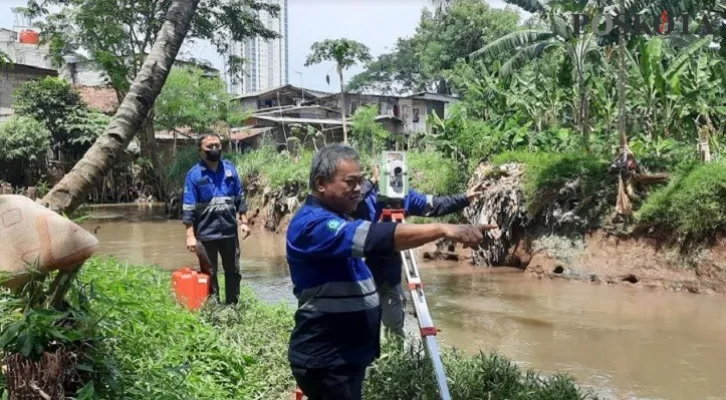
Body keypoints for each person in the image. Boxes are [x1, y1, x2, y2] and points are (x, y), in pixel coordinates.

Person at [286, 144, 496, 400]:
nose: (356, 189)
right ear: (321, 183)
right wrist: (444, 229)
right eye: (350, 182)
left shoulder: (341, 215)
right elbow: (374, 237)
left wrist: (463, 199)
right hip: (327, 358)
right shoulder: (314, 224)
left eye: (360, 182)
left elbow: (431, 204)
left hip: (345, 354)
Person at [351, 163, 486, 339]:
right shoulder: (364, 197)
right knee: (359, 329)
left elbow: (434, 205)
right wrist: (372, 182)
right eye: (388, 173)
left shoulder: (406, 196)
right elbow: (347, 207)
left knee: (394, 328)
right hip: (358, 276)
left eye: (398, 173)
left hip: (389, 276)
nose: (394, 178)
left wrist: (465, 198)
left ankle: (396, 358)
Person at [182, 133, 250, 305]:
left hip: (228, 231)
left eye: (217, 146)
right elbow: (188, 207)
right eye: (210, 146)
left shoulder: (230, 169)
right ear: (200, 151)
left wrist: (244, 222)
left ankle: (233, 307)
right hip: (205, 233)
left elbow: (239, 197)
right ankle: (214, 307)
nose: (215, 149)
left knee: (233, 271)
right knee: (209, 273)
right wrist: (190, 235)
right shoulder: (194, 175)